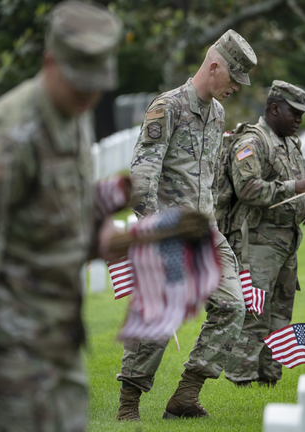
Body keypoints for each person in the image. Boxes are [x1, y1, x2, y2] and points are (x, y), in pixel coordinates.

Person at [0, 2, 124, 431]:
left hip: (56, 341)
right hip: (5, 351)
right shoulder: (6, 138)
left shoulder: (73, 116)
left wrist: (98, 231)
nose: (88, 98)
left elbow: (57, 207)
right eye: (79, 86)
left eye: (96, 87)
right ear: (50, 62)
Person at [115, 29, 257, 421]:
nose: (235, 89)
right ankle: (128, 405)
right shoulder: (168, 107)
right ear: (214, 67)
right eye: (233, 79)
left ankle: (185, 395)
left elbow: (209, 178)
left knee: (232, 306)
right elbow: (143, 174)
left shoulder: (217, 114)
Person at [216, 80, 305, 387]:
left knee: (280, 313)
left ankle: (269, 379)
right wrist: (294, 187)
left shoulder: (290, 144)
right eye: (295, 113)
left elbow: (299, 195)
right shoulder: (252, 141)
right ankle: (241, 379)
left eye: (302, 114)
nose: (300, 120)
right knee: (255, 314)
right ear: (274, 108)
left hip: (286, 241)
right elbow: (248, 188)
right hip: (256, 241)